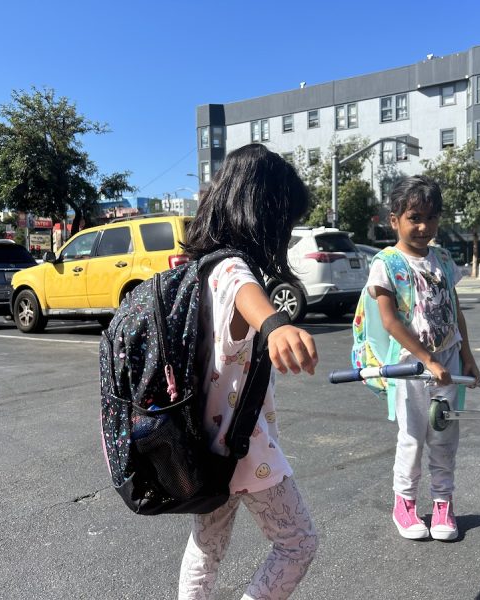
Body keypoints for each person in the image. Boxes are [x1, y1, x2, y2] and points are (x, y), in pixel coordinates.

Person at [177, 144, 319, 599]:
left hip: (205, 444)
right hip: (246, 448)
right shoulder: (233, 268)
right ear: (264, 214)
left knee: (207, 547)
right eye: (287, 223)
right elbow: (247, 295)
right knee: (298, 543)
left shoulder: (198, 270)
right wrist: (276, 325)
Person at [364, 175, 480, 542]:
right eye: (414, 217)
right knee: (413, 437)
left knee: (445, 436)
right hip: (412, 366)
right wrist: (427, 359)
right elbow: (389, 320)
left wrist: (467, 355)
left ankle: (443, 503)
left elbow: (455, 310)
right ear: (393, 218)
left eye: (430, 217)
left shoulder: (443, 258)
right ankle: (406, 503)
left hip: (448, 361)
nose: (423, 226)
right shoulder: (386, 262)